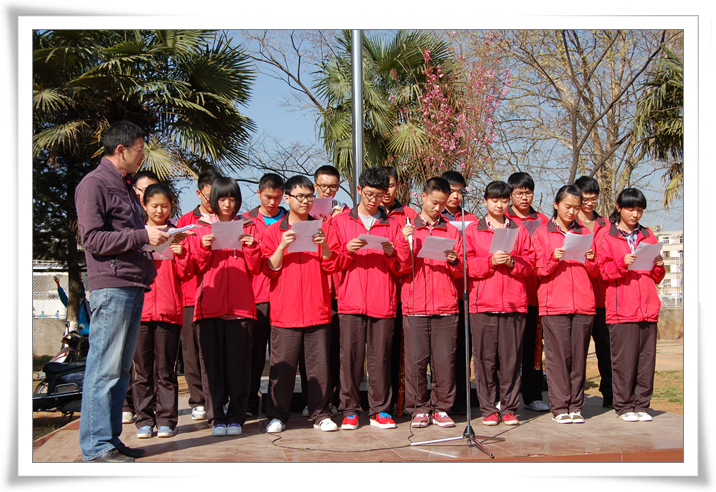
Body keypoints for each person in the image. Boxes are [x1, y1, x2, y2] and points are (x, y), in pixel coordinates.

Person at [75, 120, 170, 462]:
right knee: (104, 367)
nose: (143, 156)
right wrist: (144, 235)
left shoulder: (125, 186)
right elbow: (93, 239)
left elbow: (126, 235)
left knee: (119, 370)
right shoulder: (94, 184)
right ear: (121, 149)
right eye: (140, 150)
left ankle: (110, 438)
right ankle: (96, 445)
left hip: (132, 283)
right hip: (112, 285)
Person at [329, 167, 409, 430]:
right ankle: (350, 410)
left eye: (380, 195)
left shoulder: (394, 225)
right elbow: (330, 263)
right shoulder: (340, 222)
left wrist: (391, 253)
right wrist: (347, 250)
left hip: (382, 301)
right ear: (359, 190)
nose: (374, 200)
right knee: (350, 358)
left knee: (381, 358)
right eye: (369, 194)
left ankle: (380, 410)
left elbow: (404, 267)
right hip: (350, 300)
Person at [261, 175, 341, 433]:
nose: (305, 201)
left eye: (309, 197)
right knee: (282, 368)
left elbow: (333, 264)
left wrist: (324, 245)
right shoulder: (274, 231)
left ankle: (321, 414)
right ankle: (277, 415)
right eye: (300, 197)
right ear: (287, 198)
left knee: (319, 367)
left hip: (317, 307)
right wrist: (282, 246)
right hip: (285, 310)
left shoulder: (323, 228)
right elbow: (269, 269)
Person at [183, 177, 260, 437]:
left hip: (241, 308)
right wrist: (202, 249)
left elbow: (257, 269)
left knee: (238, 366)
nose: (227, 204)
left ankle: (236, 417)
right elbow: (189, 269)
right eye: (223, 198)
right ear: (213, 200)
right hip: (209, 306)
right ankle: (216, 417)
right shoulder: (199, 228)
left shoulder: (249, 226)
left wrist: (251, 248)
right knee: (212, 367)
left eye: (232, 199)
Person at [464, 181, 536, 426]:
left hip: (514, 304)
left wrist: (513, 262)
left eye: (504, 200)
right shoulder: (473, 230)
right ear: (485, 201)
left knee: (511, 359)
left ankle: (508, 408)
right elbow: (466, 265)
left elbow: (530, 263)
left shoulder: (519, 230)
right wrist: (490, 262)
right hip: (483, 304)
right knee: (485, 360)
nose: (499, 204)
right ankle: (487, 408)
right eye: (494, 200)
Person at [398, 177, 463, 428]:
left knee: (444, 361)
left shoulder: (452, 230)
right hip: (415, 305)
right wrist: (404, 242)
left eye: (443, 204)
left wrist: (454, 260)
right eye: (434, 202)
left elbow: (461, 271)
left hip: (445, 305)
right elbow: (401, 267)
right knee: (416, 361)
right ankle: (419, 408)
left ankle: (441, 408)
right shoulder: (408, 228)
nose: (438, 208)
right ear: (422, 197)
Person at [597, 188, 665, 422]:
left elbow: (657, 276)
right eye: (630, 209)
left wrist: (658, 265)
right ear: (619, 208)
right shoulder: (607, 236)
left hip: (648, 306)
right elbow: (603, 271)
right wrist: (622, 262)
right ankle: (624, 406)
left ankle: (642, 405)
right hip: (622, 308)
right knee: (624, 361)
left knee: (646, 360)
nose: (635, 214)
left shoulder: (648, 235)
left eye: (639, 210)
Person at [532, 185, 599, 424]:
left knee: (578, 358)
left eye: (576, 208)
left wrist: (590, 260)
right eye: (567, 206)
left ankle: (576, 407)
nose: (572, 212)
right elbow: (536, 269)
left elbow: (595, 271)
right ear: (556, 204)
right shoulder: (542, 233)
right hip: (554, 303)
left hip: (583, 303)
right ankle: (560, 407)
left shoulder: (585, 233)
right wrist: (554, 259)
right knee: (558, 358)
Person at [133, 183, 189, 439]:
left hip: (169, 309)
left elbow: (187, 274)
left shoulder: (178, 235)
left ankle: (166, 419)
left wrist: (181, 254)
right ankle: (144, 419)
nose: (159, 210)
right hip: (140, 310)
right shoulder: (135, 235)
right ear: (144, 205)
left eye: (165, 206)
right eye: (154, 206)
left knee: (166, 369)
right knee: (142, 370)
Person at [175, 169, 223, 422]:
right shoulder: (185, 222)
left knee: (217, 350)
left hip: (219, 294)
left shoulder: (228, 219)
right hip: (190, 294)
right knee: (192, 351)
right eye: (208, 196)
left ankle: (219, 396)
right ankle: (197, 400)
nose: (212, 201)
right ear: (198, 193)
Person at [242, 173, 287, 417]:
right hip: (257, 295)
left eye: (278, 198)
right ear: (258, 193)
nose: (272, 202)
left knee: (282, 354)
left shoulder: (291, 220)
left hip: (283, 293)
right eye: (268, 197)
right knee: (255, 353)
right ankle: (250, 402)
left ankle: (279, 403)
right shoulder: (245, 221)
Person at [506, 172, 551, 413]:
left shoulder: (543, 220)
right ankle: (505, 396)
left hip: (536, 292)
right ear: (510, 194)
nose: (524, 197)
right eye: (519, 193)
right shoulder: (504, 219)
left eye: (528, 193)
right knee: (508, 349)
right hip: (511, 293)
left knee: (533, 348)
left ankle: (533, 395)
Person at [122, 170, 159, 425]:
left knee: (159, 366)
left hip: (162, 303)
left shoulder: (171, 227)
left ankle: (158, 413)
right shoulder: (128, 223)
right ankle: (128, 405)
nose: (149, 196)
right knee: (131, 360)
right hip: (133, 297)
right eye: (144, 191)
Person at [440, 171, 478, 415]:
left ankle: (462, 398)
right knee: (445, 352)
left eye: (460, 191)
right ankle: (444, 398)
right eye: (451, 191)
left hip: (467, 291)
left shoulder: (471, 219)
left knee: (465, 349)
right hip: (443, 290)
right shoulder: (435, 218)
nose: (456, 196)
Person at [380, 166, 418, 417]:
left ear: (398, 186)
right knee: (379, 352)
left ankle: (397, 401)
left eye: (391, 185)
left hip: (402, 291)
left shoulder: (409, 214)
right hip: (377, 290)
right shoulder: (369, 214)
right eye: (382, 186)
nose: (386, 191)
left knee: (398, 351)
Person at [574, 175, 613, 408]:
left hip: (603, 298)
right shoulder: (568, 224)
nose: (589, 203)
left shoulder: (607, 225)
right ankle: (573, 399)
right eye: (585, 199)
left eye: (593, 199)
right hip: (577, 295)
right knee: (576, 353)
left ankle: (611, 395)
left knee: (607, 349)